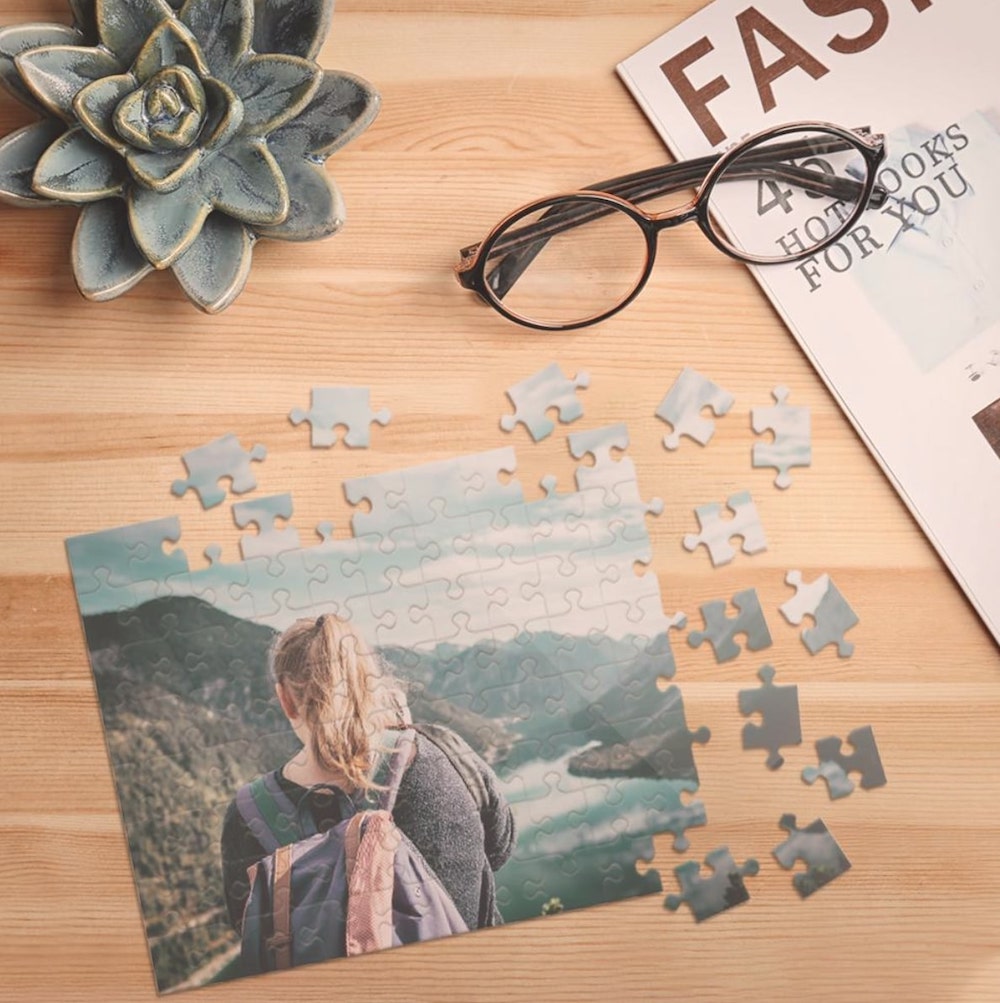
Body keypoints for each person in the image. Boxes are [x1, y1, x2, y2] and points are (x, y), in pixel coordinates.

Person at [220, 613, 516, 935]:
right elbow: (500, 846)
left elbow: (250, 931)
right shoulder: (446, 752)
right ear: (369, 680)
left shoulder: (248, 816)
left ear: (285, 700)